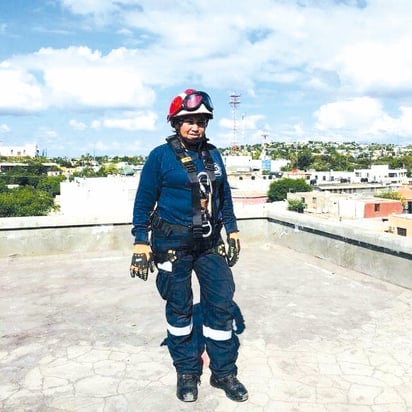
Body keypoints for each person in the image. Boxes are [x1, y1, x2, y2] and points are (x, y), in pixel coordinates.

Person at [130, 88, 248, 403]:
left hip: (209, 244)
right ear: (176, 123)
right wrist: (141, 241)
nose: (195, 126)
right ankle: (186, 371)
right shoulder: (160, 156)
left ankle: (223, 373)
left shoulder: (214, 154)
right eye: (188, 121)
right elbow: (143, 201)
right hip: (172, 245)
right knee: (180, 310)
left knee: (221, 305)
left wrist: (232, 230)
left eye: (201, 121)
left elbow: (224, 198)